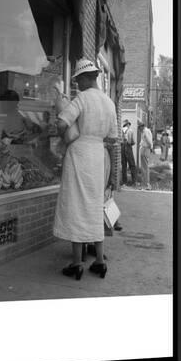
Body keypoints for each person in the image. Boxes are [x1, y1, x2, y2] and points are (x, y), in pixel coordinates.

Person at [53, 58, 118, 281]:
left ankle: (77, 263)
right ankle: (99, 262)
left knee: (76, 206)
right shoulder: (109, 103)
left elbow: (62, 122)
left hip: (79, 155)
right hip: (98, 155)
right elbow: (113, 137)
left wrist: (63, 136)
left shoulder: (82, 98)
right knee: (93, 206)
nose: (77, 83)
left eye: (78, 79)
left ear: (85, 78)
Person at [121, 120, 137, 186]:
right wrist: (132, 143)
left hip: (122, 148)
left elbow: (121, 140)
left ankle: (124, 182)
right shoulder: (130, 130)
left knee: (124, 166)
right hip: (128, 147)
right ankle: (134, 182)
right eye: (129, 124)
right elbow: (131, 142)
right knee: (132, 165)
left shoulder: (122, 131)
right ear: (128, 124)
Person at [139, 122, 153, 190]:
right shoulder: (145, 131)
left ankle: (146, 185)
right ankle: (144, 184)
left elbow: (149, 142)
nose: (139, 130)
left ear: (142, 127)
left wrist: (149, 148)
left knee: (145, 167)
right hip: (145, 149)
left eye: (139, 128)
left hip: (145, 149)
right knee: (144, 167)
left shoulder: (145, 131)